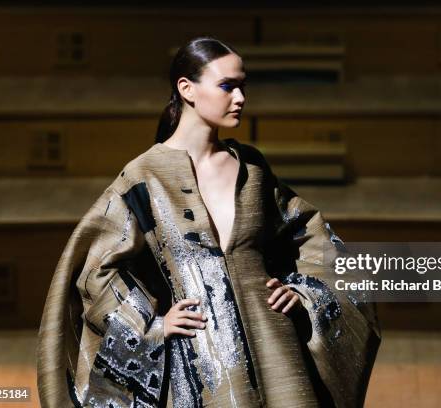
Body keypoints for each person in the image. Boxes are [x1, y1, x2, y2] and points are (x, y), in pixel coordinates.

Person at [37, 36, 381, 408]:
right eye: (227, 86)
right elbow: (93, 269)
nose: (240, 98)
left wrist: (303, 293)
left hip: (279, 353)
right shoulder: (143, 177)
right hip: (200, 367)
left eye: (242, 86)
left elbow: (313, 238)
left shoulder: (252, 169)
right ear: (186, 88)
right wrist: (149, 324)